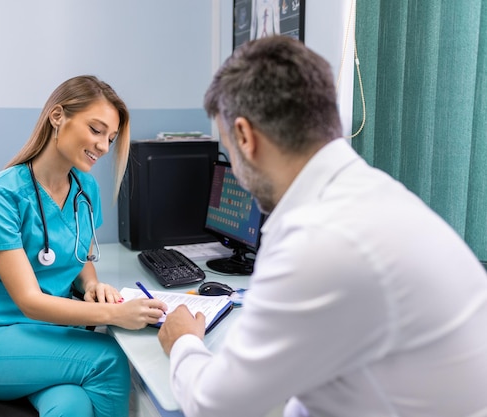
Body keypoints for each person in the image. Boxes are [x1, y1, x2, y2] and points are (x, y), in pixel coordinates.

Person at [157, 35, 487, 417]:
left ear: (245, 137)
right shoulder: (375, 195)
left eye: (228, 148)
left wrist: (183, 342)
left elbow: (214, 406)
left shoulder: (319, 241)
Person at [0, 75, 167, 417]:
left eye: (111, 139)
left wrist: (92, 283)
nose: (103, 146)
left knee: (71, 405)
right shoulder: (2, 195)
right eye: (96, 130)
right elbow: (30, 302)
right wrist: (114, 314)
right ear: (58, 116)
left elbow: (77, 252)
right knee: (109, 357)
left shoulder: (85, 190)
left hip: (48, 338)